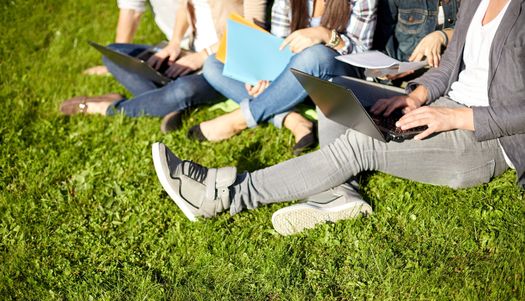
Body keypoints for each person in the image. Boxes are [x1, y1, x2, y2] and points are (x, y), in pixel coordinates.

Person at [151, 0, 524, 235]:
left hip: (486, 141)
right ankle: (339, 195)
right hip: (446, 104)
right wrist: (417, 97)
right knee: (338, 92)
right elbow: (449, 68)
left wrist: (454, 118)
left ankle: (221, 195)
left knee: (362, 143)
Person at [191, 0, 377, 155]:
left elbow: (362, 55)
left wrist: (325, 35)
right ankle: (292, 119)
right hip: (291, 78)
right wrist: (263, 77)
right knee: (213, 64)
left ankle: (243, 118)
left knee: (316, 55)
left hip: (335, 78)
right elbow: (277, 47)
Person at [60, 1, 267, 134]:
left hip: (220, 63)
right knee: (115, 54)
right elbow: (185, 7)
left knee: (184, 89)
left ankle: (110, 108)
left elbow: (251, 28)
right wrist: (175, 42)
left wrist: (202, 56)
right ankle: (170, 103)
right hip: (188, 52)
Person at [83, 0, 185, 76]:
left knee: (183, 90)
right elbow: (131, 10)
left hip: (197, 49)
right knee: (114, 51)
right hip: (174, 47)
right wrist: (118, 62)